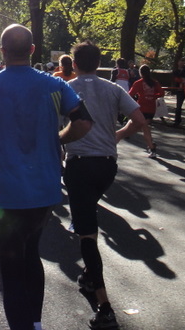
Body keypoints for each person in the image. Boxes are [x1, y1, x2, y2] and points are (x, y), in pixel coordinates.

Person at [0, 24, 93, 330]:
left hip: (6, 192)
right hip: (45, 189)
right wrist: (58, 137)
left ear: (2, 51)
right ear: (32, 50)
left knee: (10, 265)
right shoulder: (55, 85)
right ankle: (34, 322)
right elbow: (84, 122)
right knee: (32, 255)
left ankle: (21, 326)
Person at [66, 41, 148, 330]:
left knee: (87, 234)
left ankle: (104, 307)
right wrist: (118, 135)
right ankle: (90, 275)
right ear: (99, 62)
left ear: (73, 63)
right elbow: (138, 120)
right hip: (106, 166)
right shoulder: (114, 89)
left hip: (79, 163)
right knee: (88, 214)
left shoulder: (67, 88)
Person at [127, 65, 162, 158]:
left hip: (141, 108)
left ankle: (152, 147)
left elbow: (130, 94)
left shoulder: (138, 83)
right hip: (151, 109)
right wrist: (153, 96)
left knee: (144, 128)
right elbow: (162, 93)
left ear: (140, 73)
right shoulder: (155, 83)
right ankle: (151, 145)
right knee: (145, 127)